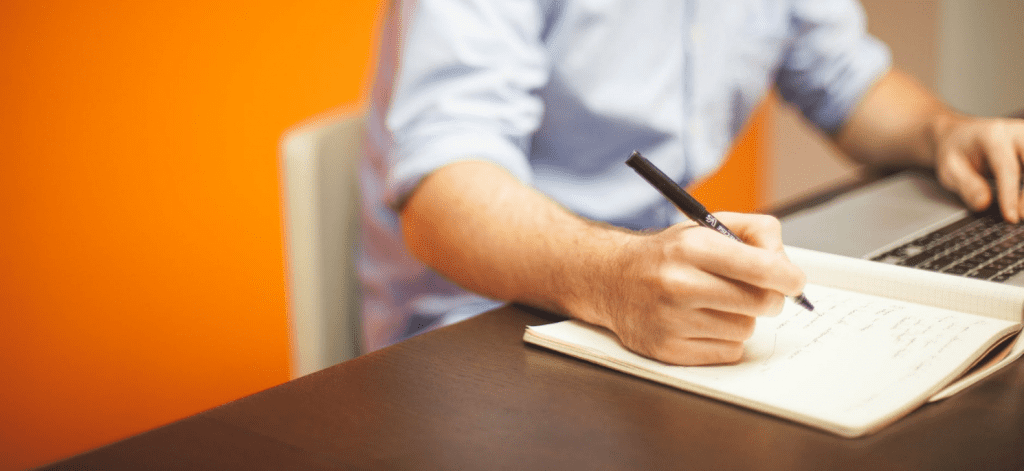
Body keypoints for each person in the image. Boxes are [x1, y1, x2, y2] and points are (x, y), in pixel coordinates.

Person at [358, 0, 1024, 363]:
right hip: (479, 327)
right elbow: (442, 191)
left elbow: (845, 78)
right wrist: (614, 279)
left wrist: (944, 132)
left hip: (649, 296)